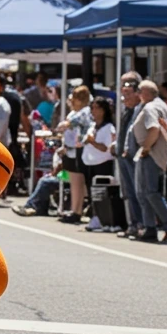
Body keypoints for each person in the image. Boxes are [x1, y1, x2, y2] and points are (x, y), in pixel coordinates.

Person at [131, 79, 167, 244]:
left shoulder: (151, 107)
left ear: (145, 93)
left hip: (151, 153)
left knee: (149, 192)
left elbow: (154, 128)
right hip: (157, 153)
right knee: (147, 193)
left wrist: (146, 148)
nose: (138, 95)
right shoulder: (161, 105)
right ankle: (150, 228)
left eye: (139, 91)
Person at [54, 86, 92, 223]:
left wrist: (64, 125)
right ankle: (75, 209)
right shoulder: (74, 112)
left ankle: (76, 211)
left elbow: (73, 123)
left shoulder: (85, 111)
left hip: (79, 150)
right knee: (73, 181)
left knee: (77, 181)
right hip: (70, 150)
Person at [114, 73, 146, 239]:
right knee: (128, 192)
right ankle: (133, 224)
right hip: (123, 156)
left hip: (134, 156)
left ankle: (142, 225)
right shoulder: (126, 111)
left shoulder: (141, 110)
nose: (124, 97)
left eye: (128, 93)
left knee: (137, 192)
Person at [80, 97, 117, 230]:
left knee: (102, 193)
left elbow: (105, 147)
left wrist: (92, 142)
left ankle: (105, 219)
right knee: (92, 193)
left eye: (97, 108)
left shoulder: (109, 128)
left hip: (102, 163)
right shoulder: (92, 126)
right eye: (92, 108)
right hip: (90, 163)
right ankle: (95, 217)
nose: (94, 111)